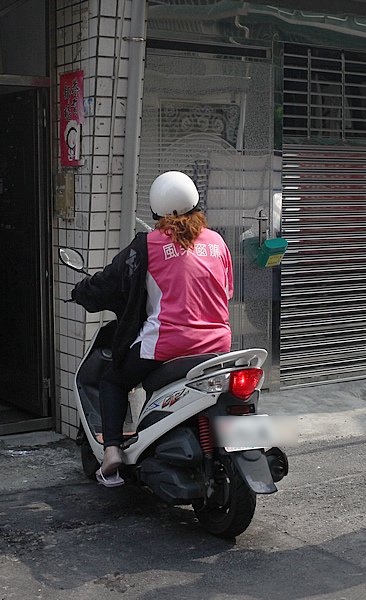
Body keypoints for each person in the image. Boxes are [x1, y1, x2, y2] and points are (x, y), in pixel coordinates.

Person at [71, 170, 234, 487]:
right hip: (218, 347)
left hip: (166, 346)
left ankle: (113, 452)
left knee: (113, 380)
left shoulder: (146, 245)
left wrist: (80, 291)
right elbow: (225, 294)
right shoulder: (217, 242)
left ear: (156, 210)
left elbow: (106, 283)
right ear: (195, 204)